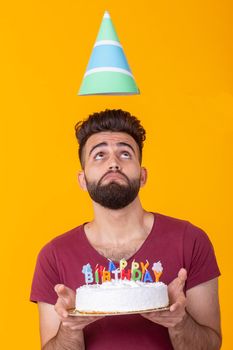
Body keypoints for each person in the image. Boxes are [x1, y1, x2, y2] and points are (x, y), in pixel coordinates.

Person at [30, 109, 222, 350]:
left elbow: (211, 346)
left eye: (125, 153)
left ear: (142, 176)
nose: (113, 163)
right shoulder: (54, 255)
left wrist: (179, 321)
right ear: (82, 179)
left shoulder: (190, 240)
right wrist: (70, 327)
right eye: (99, 155)